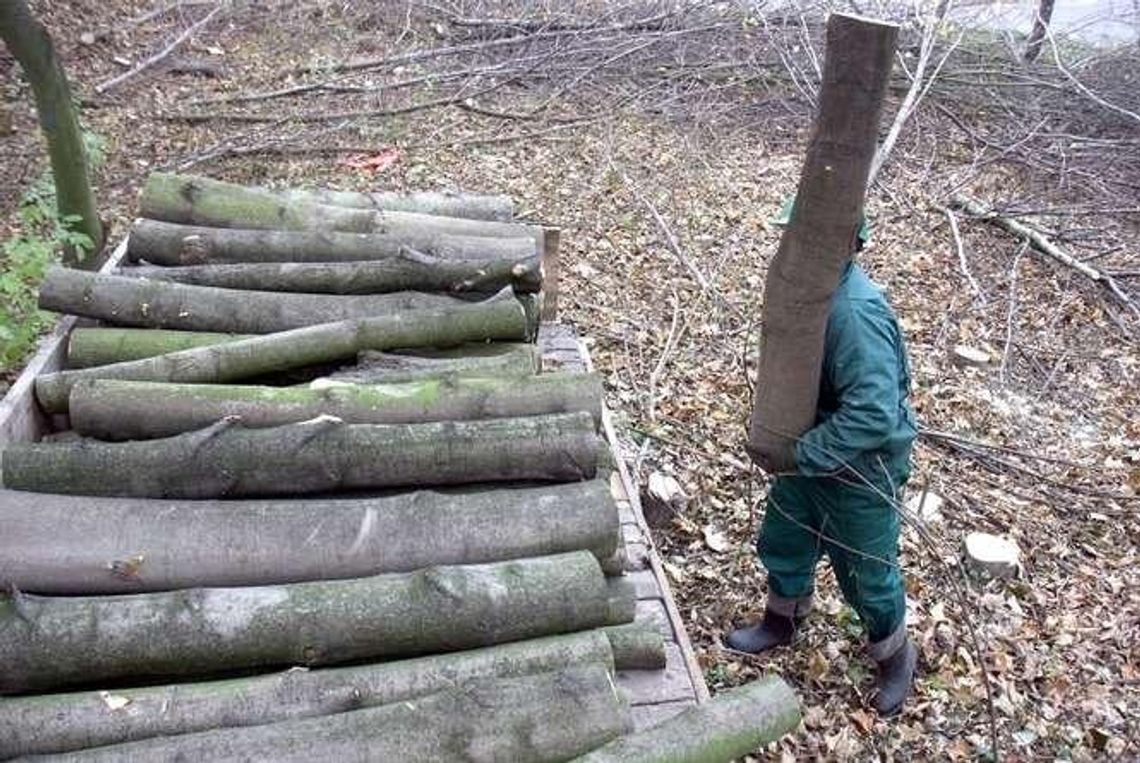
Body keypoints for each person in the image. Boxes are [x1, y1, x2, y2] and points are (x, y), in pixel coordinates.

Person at [726, 202, 919, 717]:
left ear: (844, 245)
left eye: (802, 235)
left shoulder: (855, 312)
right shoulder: (809, 293)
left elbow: (873, 413)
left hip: (861, 467)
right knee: (785, 537)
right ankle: (781, 621)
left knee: (866, 572)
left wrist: (804, 452)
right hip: (810, 452)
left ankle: (894, 655)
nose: (791, 245)